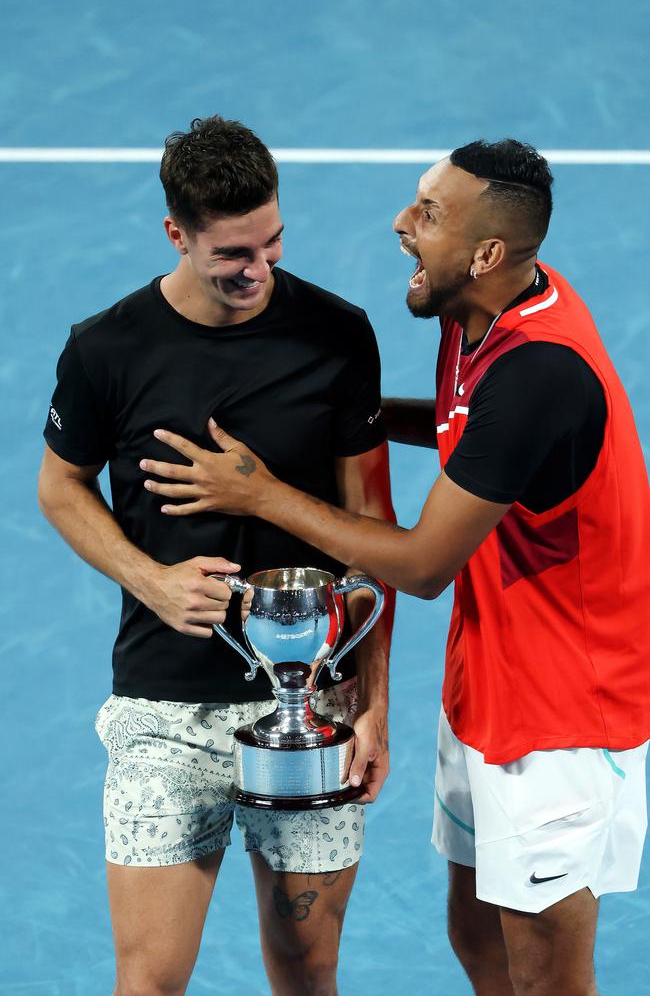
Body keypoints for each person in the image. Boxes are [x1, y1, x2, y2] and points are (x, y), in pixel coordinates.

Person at [142, 139, 650, 996]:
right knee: (477, 937)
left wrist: (260, 493)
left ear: (487, 252)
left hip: (564, 717)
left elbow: (419, 565)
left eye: (429, 214)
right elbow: (462, 425)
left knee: (550, 979)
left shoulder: (540, 378)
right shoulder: (478, 311)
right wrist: (336, 417)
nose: (401, 224)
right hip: (491, 685)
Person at [38, 115, 395, 996]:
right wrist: (150, 580)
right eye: (234, 252)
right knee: (149, 980)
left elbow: (373, 526)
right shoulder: (106, 348)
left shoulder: (337, 334)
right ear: (177, 234)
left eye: (273, 241)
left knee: (310, 975)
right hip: (162, 707)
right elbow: (60, 487)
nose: (259, 269)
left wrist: (375, 705)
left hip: (315, 707)